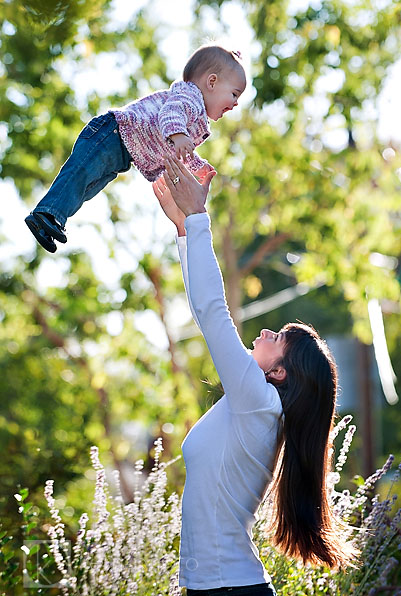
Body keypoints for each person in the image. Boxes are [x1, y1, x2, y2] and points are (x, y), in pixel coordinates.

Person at [152, 154, 355, 594]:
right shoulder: (256, 404)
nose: (264, 331)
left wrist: (199, 218)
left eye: (277, 335)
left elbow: (211, 312)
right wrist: (186, 230)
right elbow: (202, 307)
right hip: (216, 587)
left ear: (279, 371)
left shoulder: (257, 404)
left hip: (230, 589)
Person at [25, 44, 246, 253]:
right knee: (80, 174)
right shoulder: (190, 97)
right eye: (234, 94)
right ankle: (47, 213)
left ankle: (52, 220)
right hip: (112, 134)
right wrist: (179, 136)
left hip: (121, 152)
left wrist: (196, 165)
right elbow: (170, 114)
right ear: (212, 82)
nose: (236, 103)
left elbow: (177, 149)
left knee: (86, 188)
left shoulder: (196, 119)